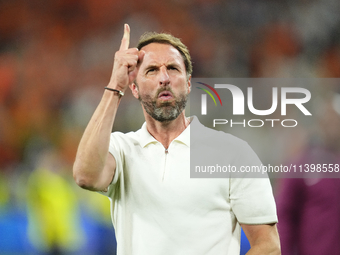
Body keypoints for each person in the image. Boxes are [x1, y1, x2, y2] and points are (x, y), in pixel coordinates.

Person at [73, 24, 280, 255]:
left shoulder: (234, 153)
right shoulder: (121, 150)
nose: (164, 78)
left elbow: (268, 246)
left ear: (189, 83)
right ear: (134, 87)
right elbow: (85, 176)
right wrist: (115, 85)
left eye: (172, 68)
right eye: (151, 70)